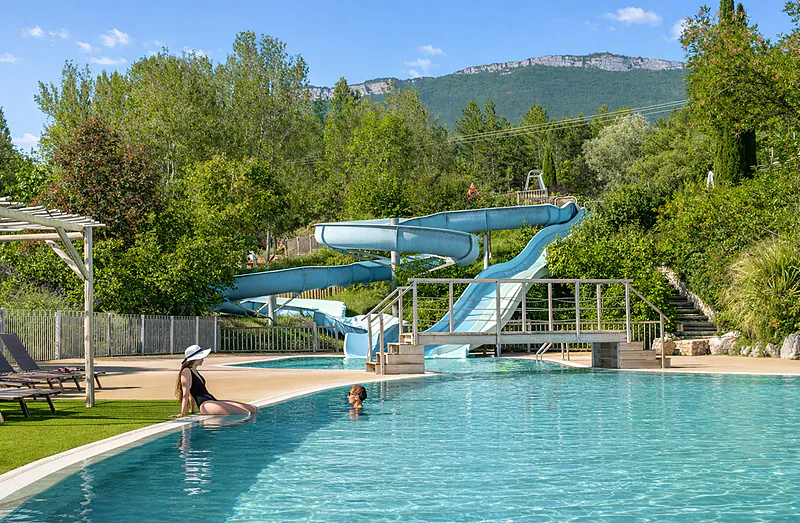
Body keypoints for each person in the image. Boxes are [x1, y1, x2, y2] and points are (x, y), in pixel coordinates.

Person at [171, 345, 258, 417]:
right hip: (205, 405)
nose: (203, 359)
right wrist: (182, 413)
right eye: (201, 357)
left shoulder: (195, 370)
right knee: (245, 413)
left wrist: (192, 410)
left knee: (253, 409)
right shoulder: (186, 371)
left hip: (211, 400)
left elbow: (191, 392)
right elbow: (186, 393)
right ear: (194, 359)